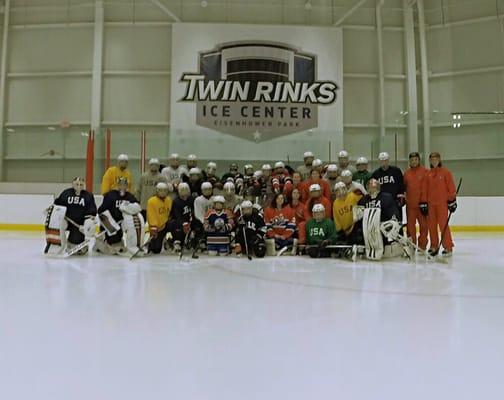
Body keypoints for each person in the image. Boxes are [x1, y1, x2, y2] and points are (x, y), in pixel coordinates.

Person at [420, 152, 457, 256]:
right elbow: (424, 189)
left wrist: (452, 200)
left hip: (442, 204)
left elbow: (451, 187)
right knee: (431, 226)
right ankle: (433, 245)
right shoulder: (428, 174)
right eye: (432, 159)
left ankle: (448, 246)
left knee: (443, 225)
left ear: (439, 160)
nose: (434, 161)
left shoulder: (446, 173)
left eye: (436, 159)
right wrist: (423, 202)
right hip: (431, 204)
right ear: (430, 161)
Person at [96, 177, 144, 256]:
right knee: (115, 245)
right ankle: (100, 242)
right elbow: (101, 211)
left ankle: (135, 245)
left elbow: (137, 208)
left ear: (127, 186)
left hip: (121, 224)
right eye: (120, 185)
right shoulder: (110, 195)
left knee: (119, 246)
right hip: (110, 224)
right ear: (117, 185)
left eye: (124, 185)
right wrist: (110, 225)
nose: (122, 187)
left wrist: (126, 208)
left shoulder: (130, 196)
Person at [48, 177, 97, 253]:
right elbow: (58, 204)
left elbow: (92, 210)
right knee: (60, 225)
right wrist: (53, 208)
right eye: (77, 184)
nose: (79, 186)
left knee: (76, 245)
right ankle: (61, 246)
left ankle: (75, 244)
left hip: (79, 224)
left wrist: (88, 222)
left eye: (81, 184)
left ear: (83, 185)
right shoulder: (66, 193)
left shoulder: (88, 196)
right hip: (67, 221)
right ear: (73, 184)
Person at [403, 152, 429, 252]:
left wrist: (426, 202)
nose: (414, 162)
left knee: (424, 226)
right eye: (412, 160)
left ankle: (422, 245)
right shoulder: (406, 173)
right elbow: (404, 187)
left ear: (419, 160)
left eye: (416, 160)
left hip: (422, 205)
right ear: (409, 161)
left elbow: (428, 188)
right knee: (410, 227)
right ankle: (412, 244)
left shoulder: (425, 172)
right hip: (410, 205)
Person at [146, 182, 172, 254]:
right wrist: (153, 226)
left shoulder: (169, 200)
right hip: (156, 228)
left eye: (164, 190)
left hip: (166, 224)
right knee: (156, 249)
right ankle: (151, 245)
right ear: (157, 191)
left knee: (174, 224)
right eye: (160, 190)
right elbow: (151, 215)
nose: (163, 192)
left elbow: (170, 212)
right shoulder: (151, 201)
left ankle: (172, 241)